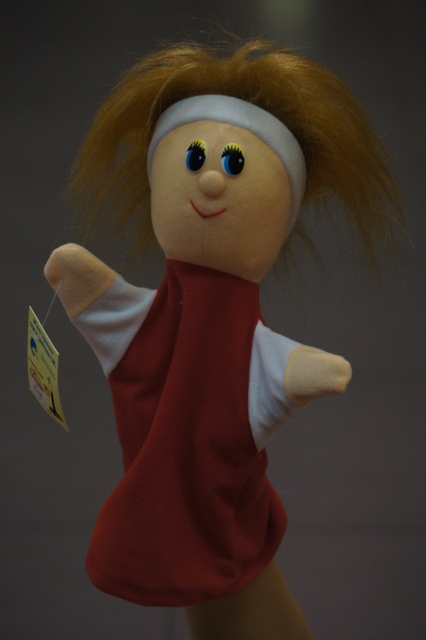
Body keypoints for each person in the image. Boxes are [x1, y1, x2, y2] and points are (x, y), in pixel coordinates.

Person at [45, 40, 404, 638]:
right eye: (195, 159)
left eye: (234, 164)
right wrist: (82, 284)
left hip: (204, 499)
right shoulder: (153, 323)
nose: (211, 178)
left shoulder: (229, 338)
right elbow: (119, 319)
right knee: (224, 563)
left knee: (220, 558)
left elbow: (265, 368)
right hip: (182, 501)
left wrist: (300, 372)